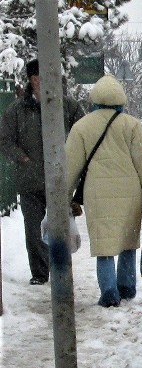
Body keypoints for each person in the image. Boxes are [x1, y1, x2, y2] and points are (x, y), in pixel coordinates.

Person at [65, 74, 142, 307]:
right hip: (130, 192)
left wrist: (63, 197)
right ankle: (126, 287)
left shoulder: (81, 127)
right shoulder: (132, 125)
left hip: (97, 194)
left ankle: (108, 291)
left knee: (103, 244)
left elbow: (70, 167)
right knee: (128, 240)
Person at [0, 58, 86, 285]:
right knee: (33, 229)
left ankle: (61, 267)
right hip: (31, 180)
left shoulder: (67, 105)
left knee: (60, 226)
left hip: (60, 180)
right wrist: (23, 158)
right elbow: (4, 139)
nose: (40, 83)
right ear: (30, 80)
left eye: (44, 78)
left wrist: (72, 156)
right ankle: (40, 272)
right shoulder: (18, 109)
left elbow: (83, 131)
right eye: (35, 79)